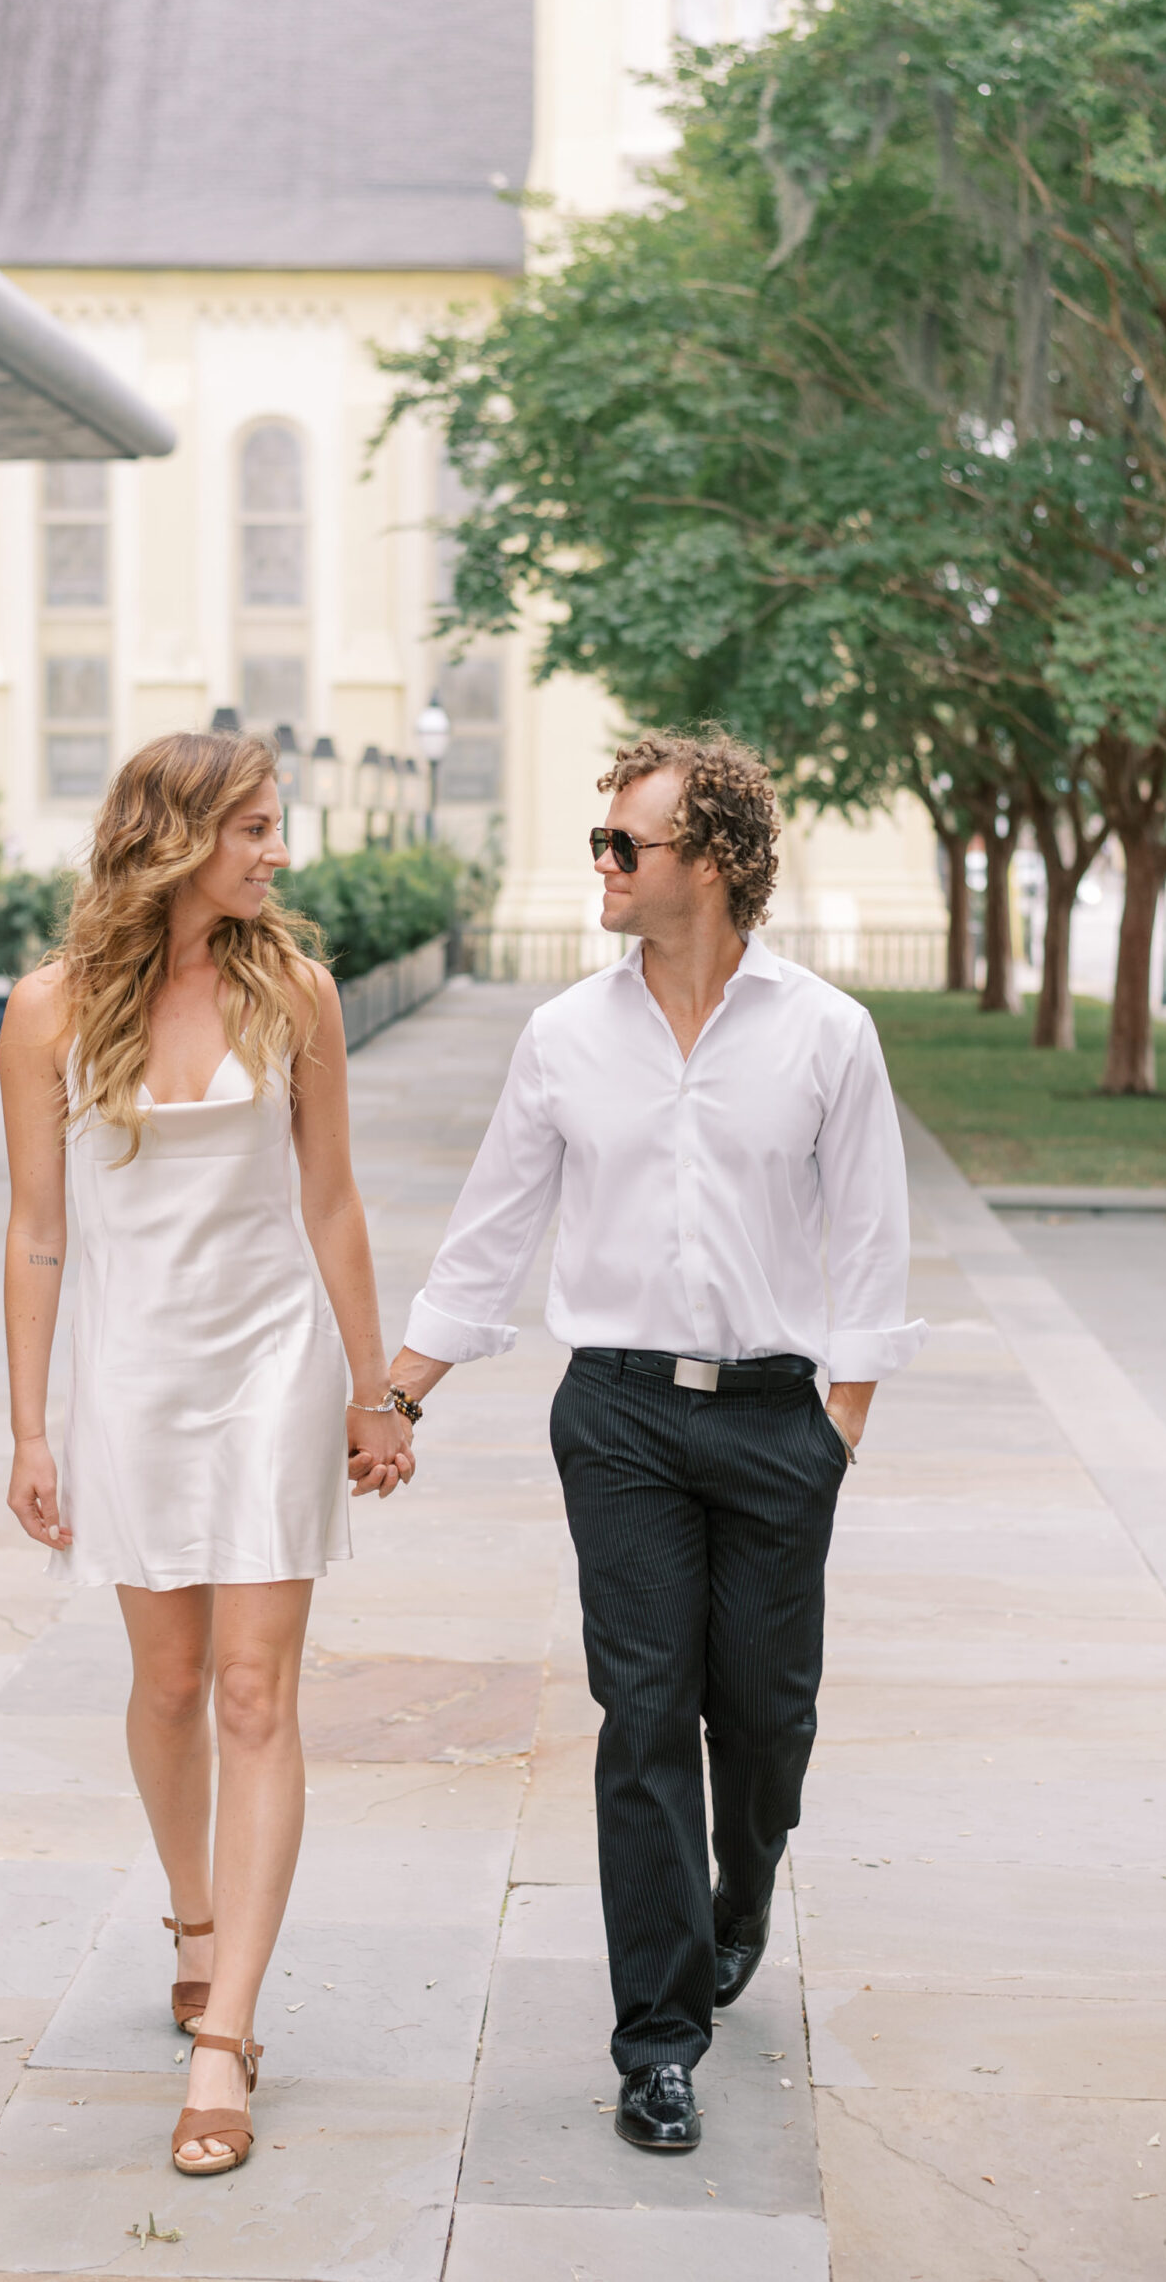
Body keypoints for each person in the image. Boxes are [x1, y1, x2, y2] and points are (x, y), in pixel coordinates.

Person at [383, 730, 924, 2152]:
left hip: (770, 1418)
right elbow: (493, 1226)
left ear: (720, 863)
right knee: (640, 1718)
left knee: (763, 1720)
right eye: (601, 842)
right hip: (615, 1412)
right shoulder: (564, 1035)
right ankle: (656, 2038)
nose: (604, 867)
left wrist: (837, 1425)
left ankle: (743, 1887)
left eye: (631, 845)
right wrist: (400, 1390)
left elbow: (870, 1240)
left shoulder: (824, 1034)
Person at [0, 730, 415, 2179]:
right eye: (253, 826)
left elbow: (336, 1204)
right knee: (168, 1681)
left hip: (270, 1373)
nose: (277, 851)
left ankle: (226, 2036)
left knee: (253, 1688)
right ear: (175, 837)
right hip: (130, 1383)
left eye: (276, 824)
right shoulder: (49, 1010)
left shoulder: (294, 991)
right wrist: (27, 1426)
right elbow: (37, 1231)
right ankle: (193, 1916)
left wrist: (378, 1391)